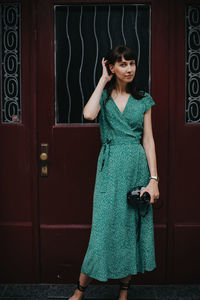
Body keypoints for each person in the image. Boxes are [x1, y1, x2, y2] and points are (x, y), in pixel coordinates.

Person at [68, 45, 160, 300]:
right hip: (109, 169)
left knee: (131, 227)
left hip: (136, 167)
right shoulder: (105, 97)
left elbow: (149, 140)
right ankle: (80, 289)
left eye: (131, 63)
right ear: (112, 67)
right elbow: (88, 114)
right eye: (122, 64)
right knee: (103, 228)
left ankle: (124, 290)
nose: (129, 69)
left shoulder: (143, 99)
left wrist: (153, 180)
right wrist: (102, 80)